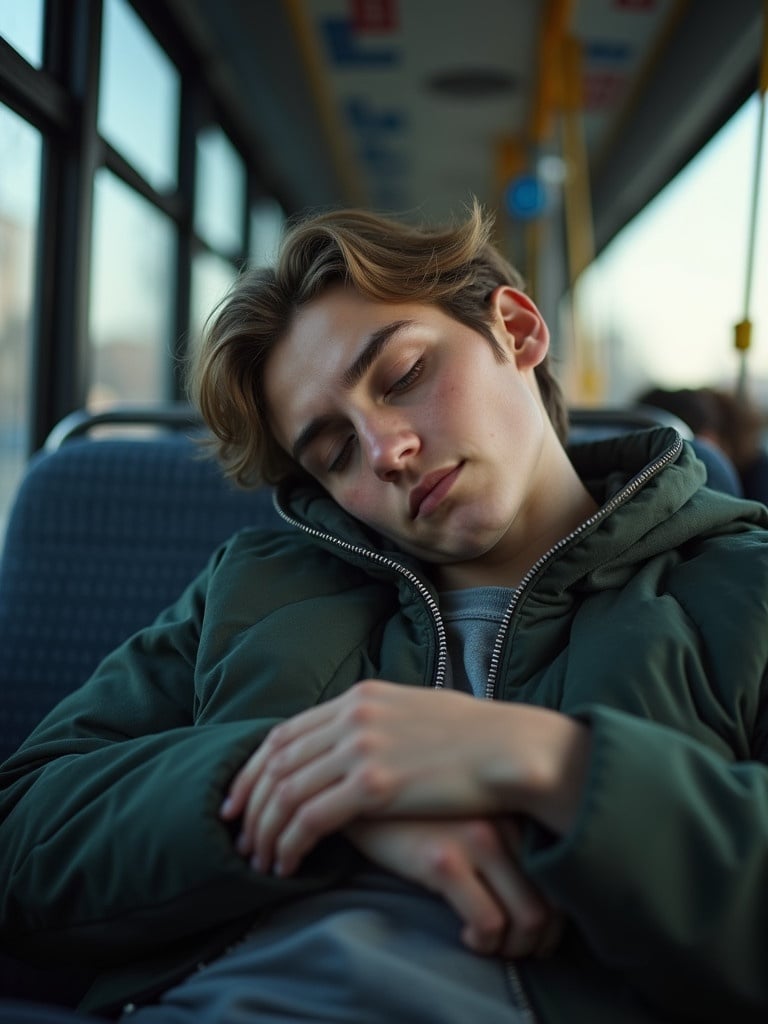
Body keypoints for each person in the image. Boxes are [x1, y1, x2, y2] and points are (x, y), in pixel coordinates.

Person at [1, 203, 768, 1024]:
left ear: (515, 329)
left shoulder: (740, 589)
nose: (385, 451)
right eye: (333, 451)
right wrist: (322, 793)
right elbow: (23, 831)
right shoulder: (253, 587)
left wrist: (556, 765)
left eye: (404, 375)